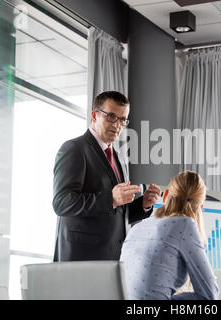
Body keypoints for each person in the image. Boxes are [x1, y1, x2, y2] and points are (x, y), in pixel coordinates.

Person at [52, 91, 161, 261]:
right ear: (95, 115)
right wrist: (110, 199)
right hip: (81, 259)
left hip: (113, 257)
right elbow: (62, 203)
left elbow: (115, 212)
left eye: (122, 119)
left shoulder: (118, 157)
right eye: (111, 116)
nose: (117, 125)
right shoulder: (74, 149)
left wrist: (143, 205)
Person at [120, 171, 219, 300]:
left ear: (165, 195)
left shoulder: (138, 227)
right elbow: (209, 294)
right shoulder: (184, 224)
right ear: (201, 206)